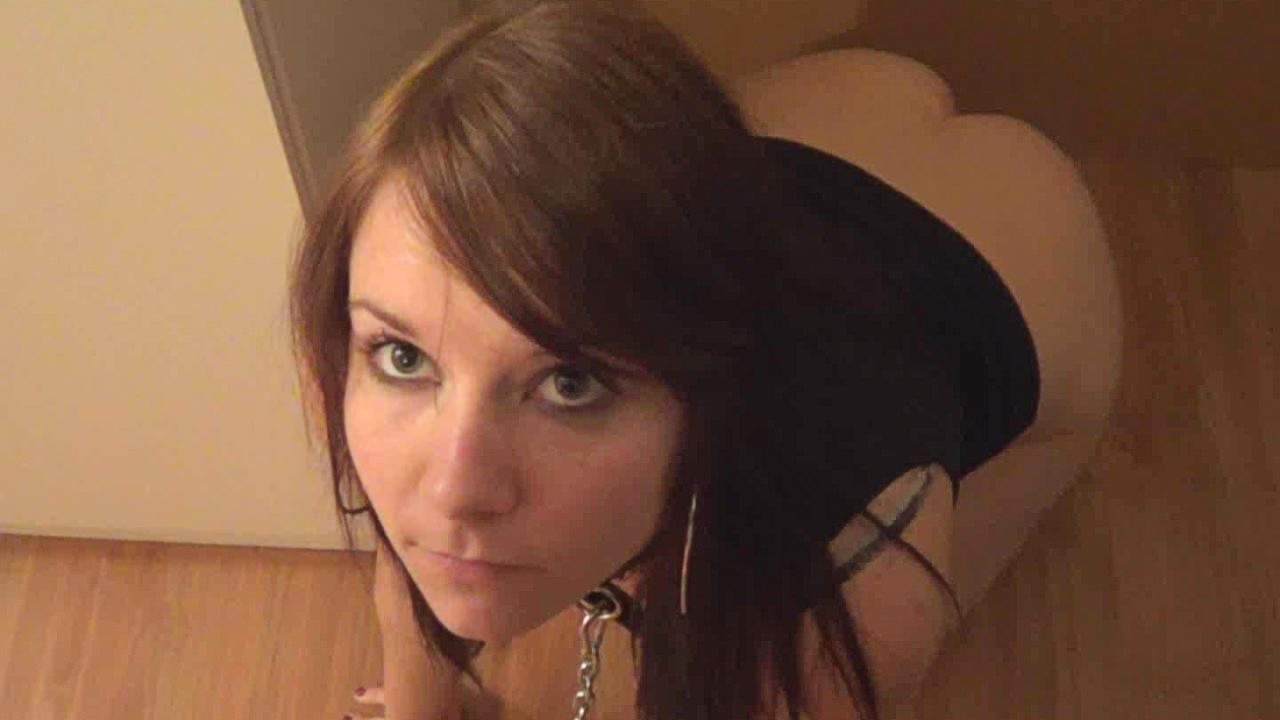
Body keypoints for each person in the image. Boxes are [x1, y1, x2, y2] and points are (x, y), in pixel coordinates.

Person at [287, 1, 1042, 718]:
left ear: (714, 390)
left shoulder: (850, 592)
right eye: (404, 357)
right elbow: (409, 581)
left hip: (1022, 254)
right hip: (818, 120)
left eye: (570, 382)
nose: (453, 490)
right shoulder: (368, 383)